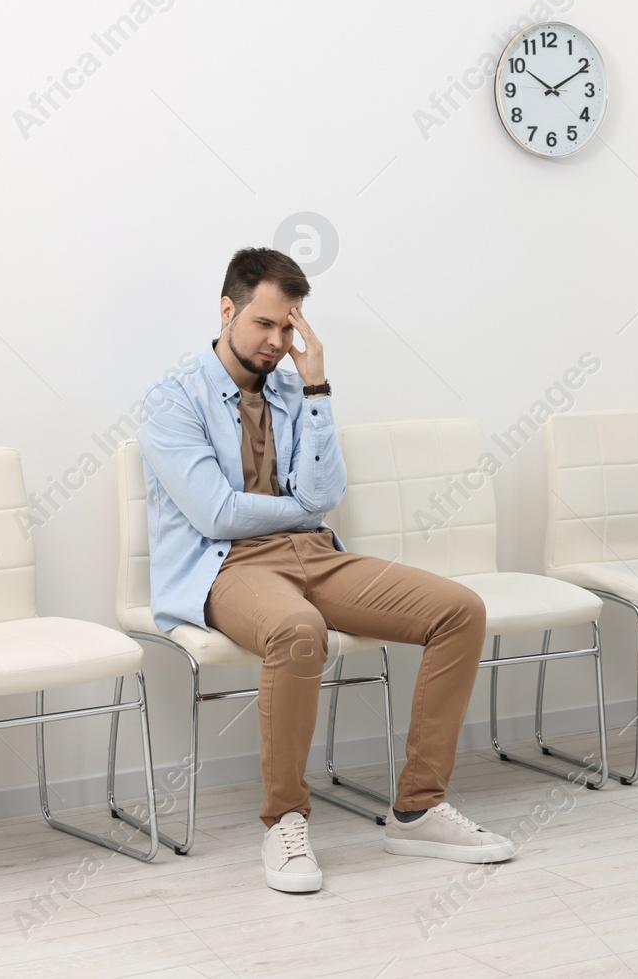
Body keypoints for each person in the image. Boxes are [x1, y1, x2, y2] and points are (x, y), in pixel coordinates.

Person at [138, 247, 515, 892]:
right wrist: (298, 507)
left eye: (290, 327)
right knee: (297, 630)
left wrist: (316, 386)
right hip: (225, 568)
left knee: (459, 610)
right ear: (227, 310)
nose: (278, 341)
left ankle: (418, 809)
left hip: (315, 552)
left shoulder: (293, 386)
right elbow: (215, 514)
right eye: (265, 324)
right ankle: (284, 820)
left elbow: (326, 491)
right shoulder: (173, 399)